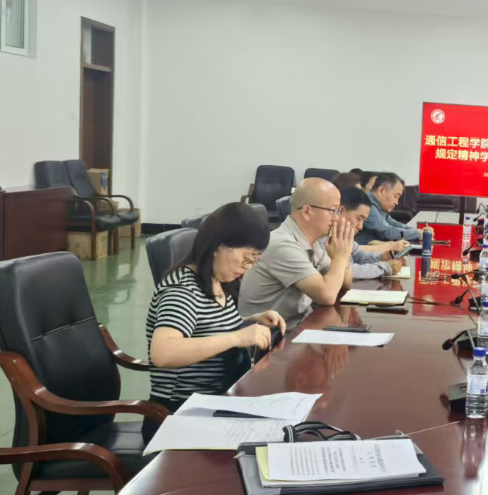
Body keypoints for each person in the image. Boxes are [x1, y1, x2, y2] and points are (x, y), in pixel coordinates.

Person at [144, 202, 286, 438]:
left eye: (254, 260)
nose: (247, 268)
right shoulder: (182, 291)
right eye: (246, 258)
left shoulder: (215, 281)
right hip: (179, 415)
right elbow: (163, 352)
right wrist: (237, 337)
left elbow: (204, 327)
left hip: (215, 403)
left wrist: (250, 321)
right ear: (219, 247)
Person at [238, 177, 355, 319]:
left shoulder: (310, 242)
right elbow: (327, 296)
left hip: (297, 326)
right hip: (272, 331)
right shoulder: (282, 245)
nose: (337, 218)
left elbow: (345, 283)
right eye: (333, 210)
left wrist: (343, 253)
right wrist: (340, 258)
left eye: (338, 211)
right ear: (307, 211)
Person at [332, 186, 406, 279]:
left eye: (363, 220)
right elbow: (346, 271)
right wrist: (385, 267)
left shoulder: (343, 237)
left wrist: (383, 256)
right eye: (359, 218)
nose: (360, 226)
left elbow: (359, 256)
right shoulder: (325, 238)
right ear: (341, 211)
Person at [354, 172, 426, 245]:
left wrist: (416, 231)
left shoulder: (378, 205)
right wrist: (418, 233)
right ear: (381, 191)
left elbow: (393, 223)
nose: (396, 202)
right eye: (396, 196)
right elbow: (387, 232)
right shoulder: (367, 204)